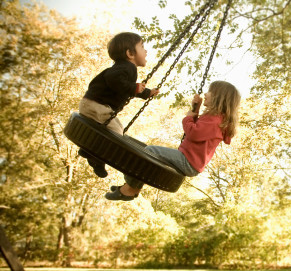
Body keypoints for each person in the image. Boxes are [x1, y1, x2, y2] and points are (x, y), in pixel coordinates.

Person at [105, 80, 241, 201]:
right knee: (147, 155)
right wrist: (196, 110)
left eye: (210, 92)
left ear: (219, 98)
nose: (206, 94)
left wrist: (187, 117)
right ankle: (131, 187)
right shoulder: (215, 119)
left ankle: (130, 189)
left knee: (150, 151)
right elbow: (199, 130)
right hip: (189, 160)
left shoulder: (215, 120)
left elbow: (193, 133)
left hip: (188, 161)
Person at [78, 32, 159, 178]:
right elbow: (114, 79)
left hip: (92, 104)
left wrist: (147, 93)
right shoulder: (126, 67)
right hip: (97, 105)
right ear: (130, 53)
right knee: (116, 134)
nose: (146, 50)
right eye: (142, 46)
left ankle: (88, 149)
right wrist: (134, 88)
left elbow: (125, 87)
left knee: (114, 129)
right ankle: (96, 158)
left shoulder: (124, 68)